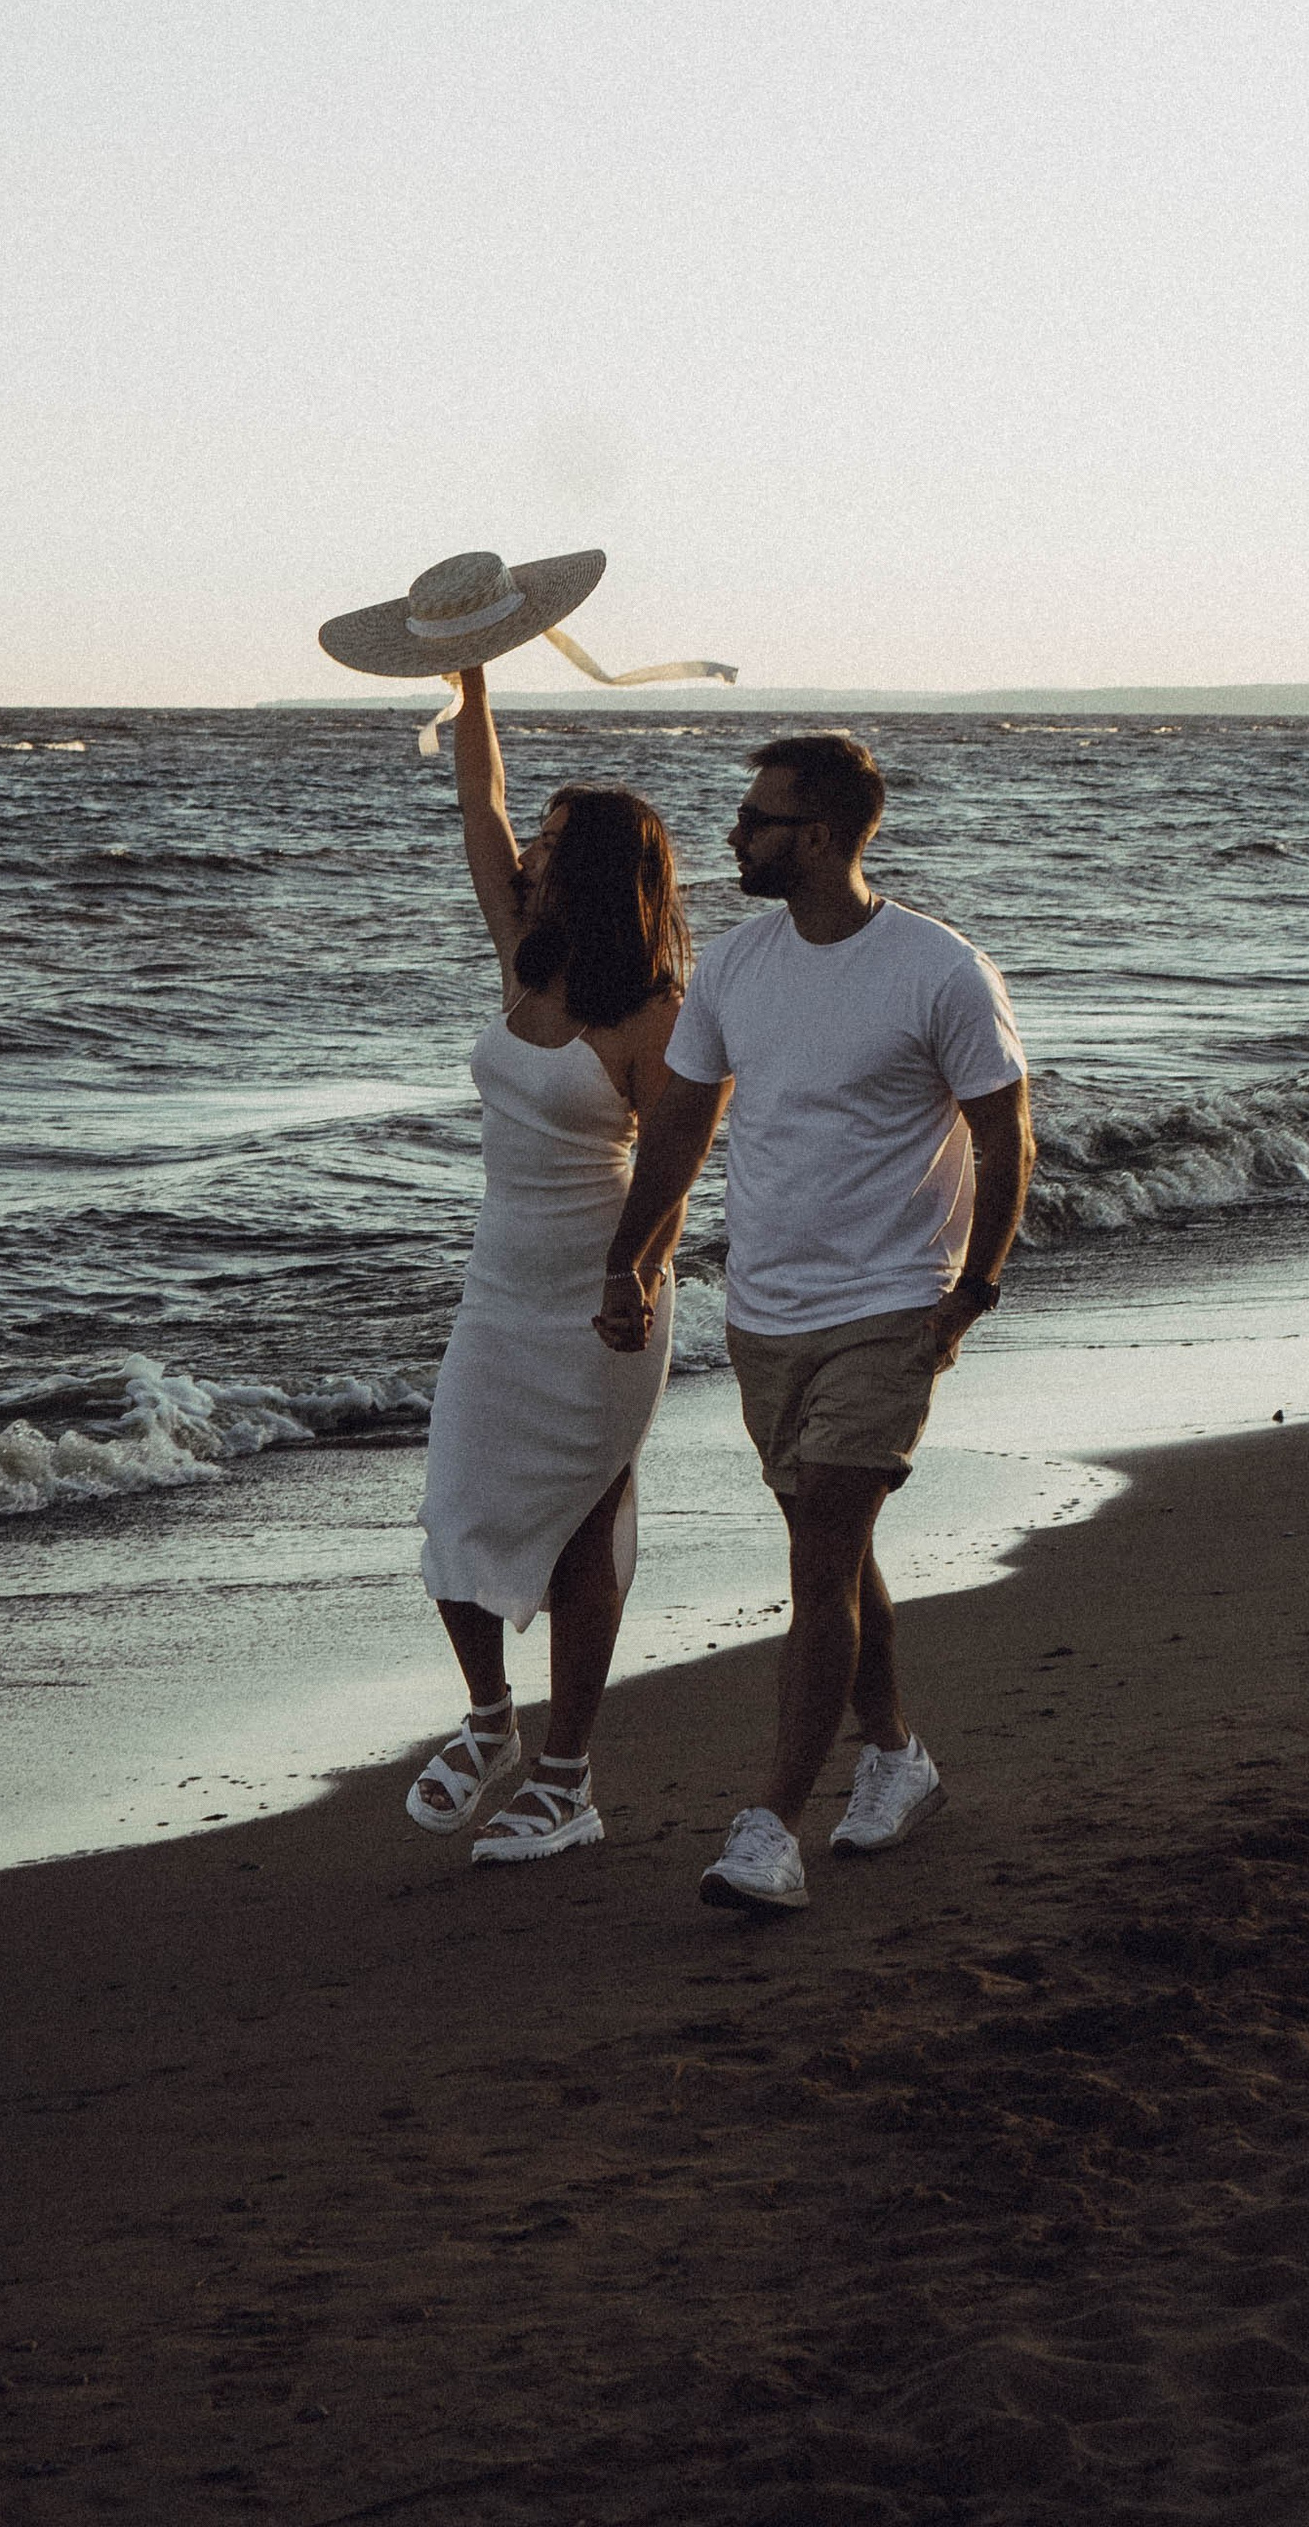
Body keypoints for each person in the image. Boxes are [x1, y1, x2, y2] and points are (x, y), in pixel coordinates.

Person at [593, 730, 1033, 1913]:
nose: (732, 838)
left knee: (822, 1554)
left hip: (890, 1305)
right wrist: (630, 1263)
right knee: (830, 1553)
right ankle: (895, 1755)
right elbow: (677, 1132)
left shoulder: (937, 968)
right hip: (767, 1311)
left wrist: (970, 1292)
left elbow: (1004, 1134)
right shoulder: (736, 969)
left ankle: (769, 1829)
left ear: (823, 835)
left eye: (756, 821)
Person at [405, 663, 697, 1863]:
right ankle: (491, 1724)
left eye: (557, 843)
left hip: (601, 1295)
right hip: (499, 1288)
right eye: (539, 837)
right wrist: (472, 687)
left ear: (605, 871)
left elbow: (676, 1168)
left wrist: (630, 1277)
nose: (528, 852)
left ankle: (567, 1780)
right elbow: (480, 804)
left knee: (584, 1530)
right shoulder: (523, 947)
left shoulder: (659, 1012)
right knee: (451, 1515)